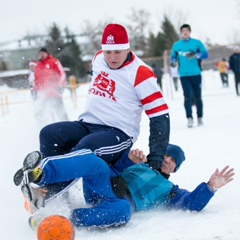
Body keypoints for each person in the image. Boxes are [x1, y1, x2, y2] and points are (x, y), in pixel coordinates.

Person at [39, 23, 170, 169]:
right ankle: (52, 186)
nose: (112, 57)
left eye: (117, 52)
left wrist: (156, 155)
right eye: (108, 52)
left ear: (127, 49)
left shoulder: (141, 74)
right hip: (87, 124)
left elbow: (160, 116)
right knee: (49, 134)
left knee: (86, 148)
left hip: (118, 132)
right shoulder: (98, 58)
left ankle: (49, 177)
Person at [15, 144, 234, 229]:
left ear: (175, 169)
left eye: (172, 159)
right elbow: (113, 169)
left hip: (117, 202)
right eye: (166, 154)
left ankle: (63, 219)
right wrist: (128, 160)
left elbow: (191, 204)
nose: (167, 159)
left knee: (124, 212)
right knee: (93, 161)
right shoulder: (142, 164)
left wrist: (210, 187)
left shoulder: (171, 191)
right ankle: (41, 176)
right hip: (106, 185)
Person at [170, 24, 209, 128]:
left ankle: (200, 117)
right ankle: (189, 118)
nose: (185, 32)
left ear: (190, 32)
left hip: (196, 73)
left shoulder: (197, 43)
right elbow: (173, 57)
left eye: (187, 30)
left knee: (198, 96)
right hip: (184, 74)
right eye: (183, 30)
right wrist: (173, 62)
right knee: (187, 96)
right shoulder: (177, 45)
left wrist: (196, 55)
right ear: (181, 32)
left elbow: (206, 54)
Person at [33, 47, 68, 125]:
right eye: (40, 53)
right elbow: (36, 79)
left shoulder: (54, 62)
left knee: (61, 112)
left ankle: (67, 126)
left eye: (43, 53)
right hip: (43, 94)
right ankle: (41, 127)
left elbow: (61, 74)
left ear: (46, 54)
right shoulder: (38, 65)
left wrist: (61, 85)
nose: (41, 55)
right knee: (40, 113)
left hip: (54, 92)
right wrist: (36, 90)